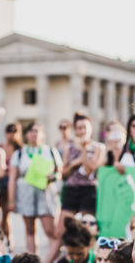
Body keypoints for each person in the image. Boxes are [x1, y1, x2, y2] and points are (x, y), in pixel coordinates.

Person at [47, 113, 105, 263]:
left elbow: (92, 168)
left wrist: (84, 151)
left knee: (87, 231)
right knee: (60, 231)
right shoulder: (69, 148)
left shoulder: (98, 147)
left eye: (84, 127)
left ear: (90, 128)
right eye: (78, 128)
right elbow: (64, 173)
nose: (81, 131)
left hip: (88, 190)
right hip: (71, 190)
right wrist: (73, 164)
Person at [7, 122, 62, 253]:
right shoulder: (19, 153)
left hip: (46, 194)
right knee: (30, 230)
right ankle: (33, 259)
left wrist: (53, 177)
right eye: (31, 131)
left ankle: (54, 259)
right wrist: (11, 200)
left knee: (50, 230)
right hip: (26, 195)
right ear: (26, 134)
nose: (34, 134)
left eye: (37, 131)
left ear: (42, 134)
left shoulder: (50, 151)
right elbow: (12, 178)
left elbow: (60, 172)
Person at [0, 123, 22, 251]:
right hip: (0, 182)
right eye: (9, 131)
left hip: (11, 184)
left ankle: (8, 237)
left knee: (5, 214)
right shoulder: (1, 147)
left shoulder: (20, 150)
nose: (12, 134)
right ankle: (3, 238)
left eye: (14, 131)